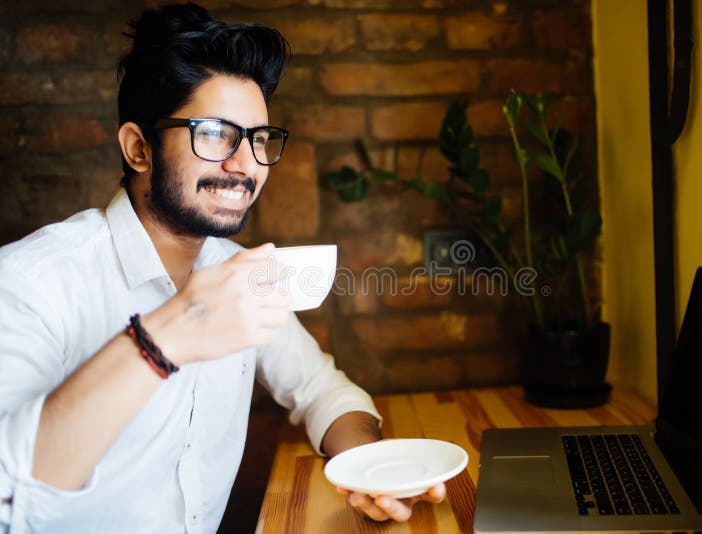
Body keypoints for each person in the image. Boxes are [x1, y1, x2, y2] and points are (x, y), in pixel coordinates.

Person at [0, 3, 444, 532]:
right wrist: (169, 333)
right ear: (139, 148)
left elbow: (320, 388)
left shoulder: (237, 273)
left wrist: (370, 471)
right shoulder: (31, 282)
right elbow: (9, 490)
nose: (245, 164)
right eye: (213, 132)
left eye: (258, 139)